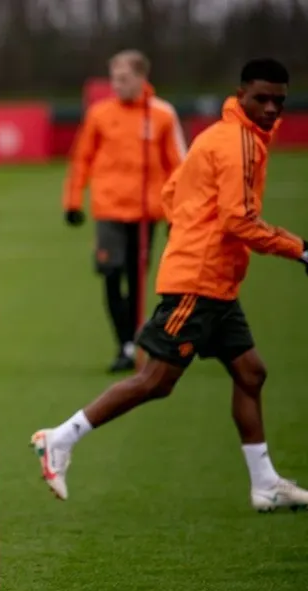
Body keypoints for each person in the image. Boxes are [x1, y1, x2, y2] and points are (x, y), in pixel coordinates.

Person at [34, 57, 308, 512]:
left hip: (216, 282)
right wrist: (298, 248)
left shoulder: (223, 134)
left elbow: (171, 188)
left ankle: (264, 484)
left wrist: (189, 228)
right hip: (197, 282)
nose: (271, 109)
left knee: (250, 373)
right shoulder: (235, 141)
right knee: (155, 380)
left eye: (279, 101)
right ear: (241, 95)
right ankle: (60, 438)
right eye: (261, 99)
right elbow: (239, 219)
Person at [63, 49, 187, 372]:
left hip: (147, 213)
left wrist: (180, 213)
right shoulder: (100, 114)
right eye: (113, 79)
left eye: (123, 78)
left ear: (141, 78)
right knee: (109, 275)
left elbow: (179, 167)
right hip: (108, 209)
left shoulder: (161, 115)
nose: (117, 85)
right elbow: (82, 158)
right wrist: (73, 201)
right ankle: (125, 343)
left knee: (137, 279)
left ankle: (134, 342)